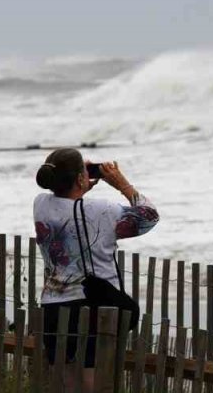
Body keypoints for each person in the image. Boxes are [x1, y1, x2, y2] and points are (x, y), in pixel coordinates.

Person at [34, 148, 158, 391]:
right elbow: (149, 216)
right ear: (81, 178)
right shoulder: (103, 210)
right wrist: (122, 184)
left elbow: (68, 206)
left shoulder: (40, 204)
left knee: (66, 381)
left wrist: (79, 186)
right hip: (91, 305)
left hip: (53, 304)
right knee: (93, 378)